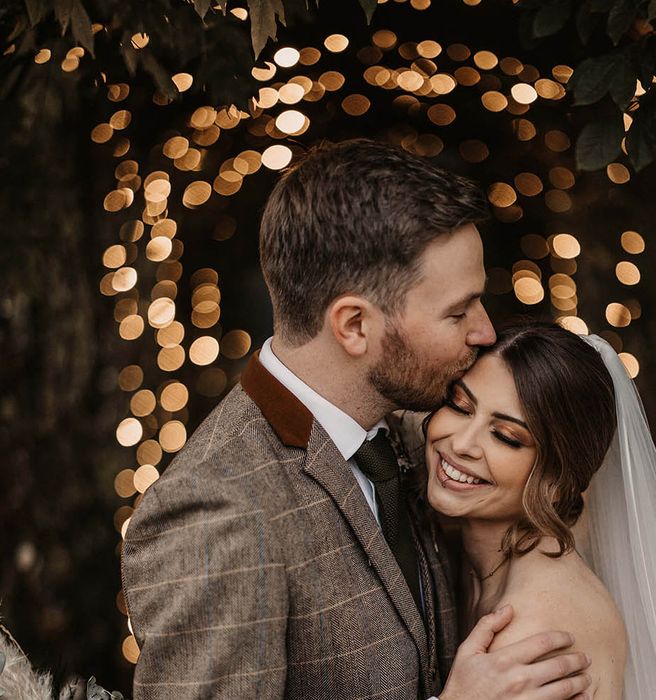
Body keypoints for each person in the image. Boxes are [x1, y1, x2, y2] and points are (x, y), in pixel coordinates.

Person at [121, 140, 593, 699]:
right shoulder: (219, 512)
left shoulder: (406, 436)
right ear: (354, 326)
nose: (484, 331)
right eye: (457, 311)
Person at [418, 321, 656, 699]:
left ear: (556, 479)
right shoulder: (477, 563)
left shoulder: (535, 635)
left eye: (506, 436)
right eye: (460, 405)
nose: (462, 443)